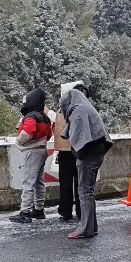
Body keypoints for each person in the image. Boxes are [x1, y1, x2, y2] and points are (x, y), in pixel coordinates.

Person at [59, 86, 113, 239]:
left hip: (89, 154)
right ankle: (91, 226)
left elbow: (79, 139)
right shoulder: (86, 107)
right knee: (88, 192)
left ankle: (85, 229)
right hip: (97, 152)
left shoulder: (78, 112)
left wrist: (78, 156)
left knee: (84, 192)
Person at [10, 88, 52, 224]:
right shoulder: (44, 117)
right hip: (42, 150)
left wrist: (18, 141)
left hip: (32, 151)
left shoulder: (31, 116)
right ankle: (39, 209)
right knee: (39, 182)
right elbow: (49, 134)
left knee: (28, 182)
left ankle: (25, 212)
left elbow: (27, 133)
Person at [53, 81, 85, 223]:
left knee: (65, 183)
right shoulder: (79, 110)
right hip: (78, 150)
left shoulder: (61, 112)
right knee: (80, 183)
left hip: (63, 151)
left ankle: (65, 211)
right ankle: (81, 211)